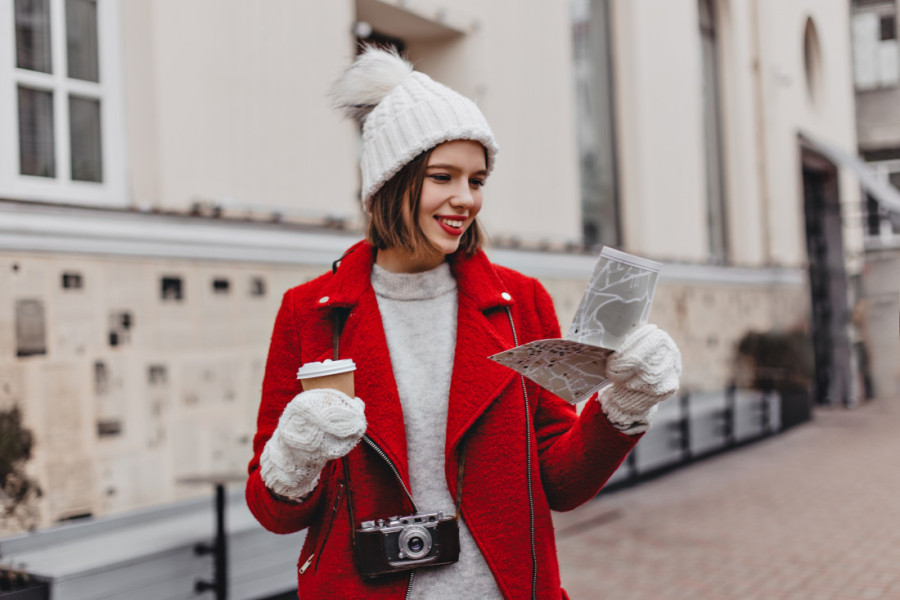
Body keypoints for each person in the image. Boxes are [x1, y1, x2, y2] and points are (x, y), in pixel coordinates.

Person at [246, 46, 682, 600]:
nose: (464, 199)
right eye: (442, 177)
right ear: (390, 183)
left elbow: (561, 482)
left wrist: (626, 405)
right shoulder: (309, 313)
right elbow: (274, 512)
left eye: (476, 180)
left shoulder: (520, 303)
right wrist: (297, 452)